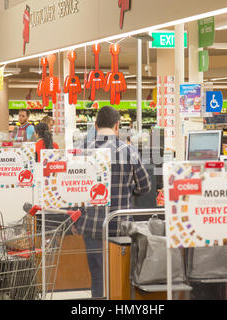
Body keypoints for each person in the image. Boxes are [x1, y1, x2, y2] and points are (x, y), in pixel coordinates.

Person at [74, 106, 151, 298]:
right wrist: (128, 189)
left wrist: (76, 220)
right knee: (123, 275)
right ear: (118, 126)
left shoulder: (82, 151)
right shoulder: (129, 151)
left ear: (95, 125)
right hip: (122, 225)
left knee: (98, 275)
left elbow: (74, 191)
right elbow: (145, 187)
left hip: (92, 226)